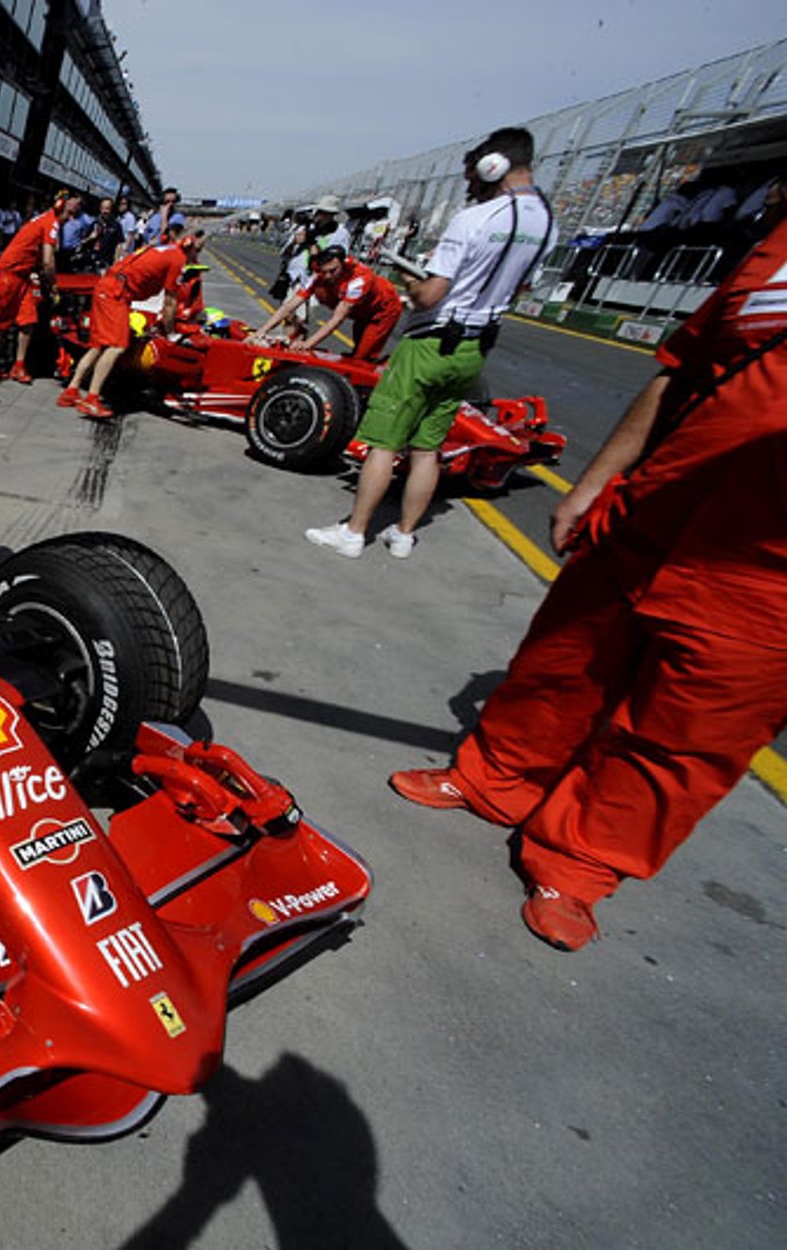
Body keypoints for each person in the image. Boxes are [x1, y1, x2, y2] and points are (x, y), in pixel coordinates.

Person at [387, 199, 787, 953]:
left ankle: (577, 865)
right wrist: (600, 478)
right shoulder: (774, 249)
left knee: (686, 737)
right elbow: (680, 371)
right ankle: (492, 780)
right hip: (659, 507)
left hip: (767, 577)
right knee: (560, 665)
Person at [306, 127, 556, 561]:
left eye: (472, 177)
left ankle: (354, 531)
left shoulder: (475, 219)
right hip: (474, 348)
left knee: (384, 442)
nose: (470, 187)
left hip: (431, 341)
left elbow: (429, 295)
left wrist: (409, 275)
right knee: (428, 446)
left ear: (491, 166)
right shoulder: (547, 224)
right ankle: (403, 534)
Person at [57, 232, 186, 418]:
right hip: (116, 294)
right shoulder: (178, 258)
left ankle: (71, 390)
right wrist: (171, 331)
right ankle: (92, 398)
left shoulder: (159, 249)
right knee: (117, 346)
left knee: (98, 346)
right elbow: (170, 302)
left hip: (108, 287)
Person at [0, 189, 79, 382]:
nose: (70, 218)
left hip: (24, 276)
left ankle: (19, 366)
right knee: (2, 320)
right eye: (70, 212)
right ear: (61, 205)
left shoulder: (46, 220)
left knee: (28, 320)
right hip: (10, 274)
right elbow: (47, 261)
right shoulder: (50, 223)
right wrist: (53, 285)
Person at [247, 244, 403, 359]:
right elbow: (290, 305)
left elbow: (337, 319)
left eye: (333, 271)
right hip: (359, 309)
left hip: (382, 310)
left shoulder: (360, 279)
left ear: (343, 264)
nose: (328, 276)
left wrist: (307, 345)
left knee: (362, 356)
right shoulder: (317, 273)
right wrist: (262, 331)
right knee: (356, 350)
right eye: (324, 271)